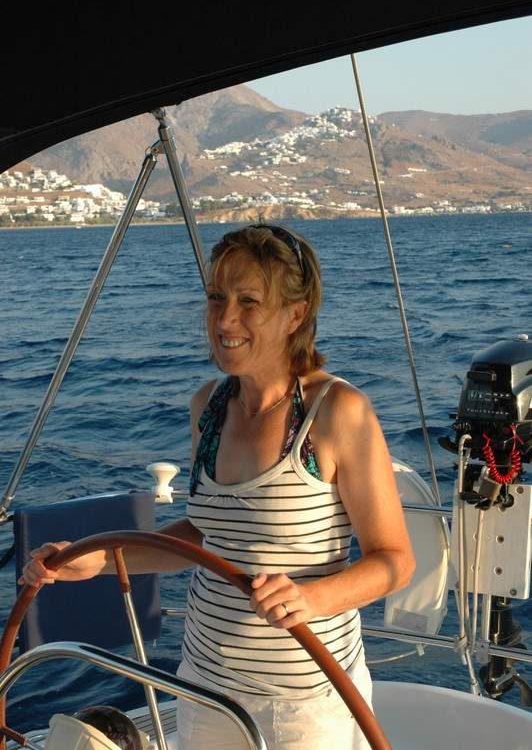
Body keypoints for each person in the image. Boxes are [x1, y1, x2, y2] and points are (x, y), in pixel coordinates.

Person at [21, 224, 415, 750]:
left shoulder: (337, 412)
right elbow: (206, 536)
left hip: (302, 702)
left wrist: (312, 597)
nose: (225, 319)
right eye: (216, 298)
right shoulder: (208, 406)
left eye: (249, 301)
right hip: (204, 685)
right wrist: (97, 560)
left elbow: (395, 560)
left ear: (295, 314)